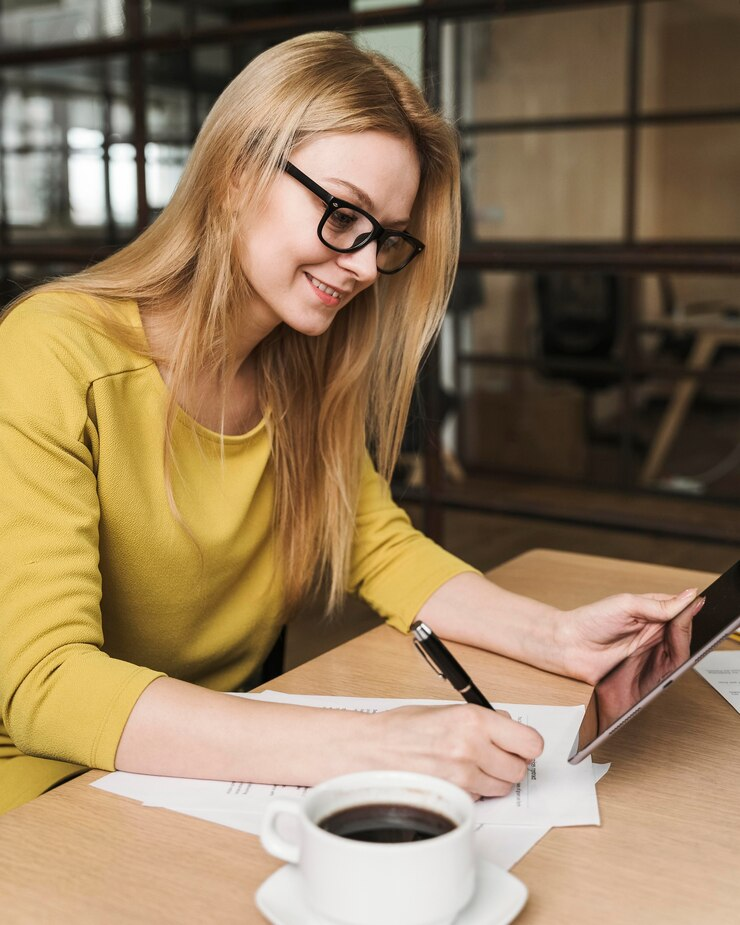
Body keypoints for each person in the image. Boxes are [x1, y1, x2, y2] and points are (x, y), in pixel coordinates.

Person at [0, 32, 700, 815]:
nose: (367, 265)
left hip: (203, 781)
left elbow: (382, 548)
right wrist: (378, 746)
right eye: (343, 213)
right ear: (236, 175)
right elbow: (45, 683)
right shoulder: (50, 353)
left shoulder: (298, 370)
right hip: (48, 793)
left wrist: (558, 637)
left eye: (387, 236)